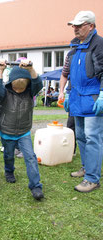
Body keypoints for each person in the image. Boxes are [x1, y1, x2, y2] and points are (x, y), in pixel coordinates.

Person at [58, 11, 103, 193]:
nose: (75, 28)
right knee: (82, 137)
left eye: (79, 25)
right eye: (73, 25)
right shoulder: (74, 47)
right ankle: (86, 167)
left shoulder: (99, 44)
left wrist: (102, 94)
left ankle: (92, 178)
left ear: (90, 26)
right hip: (76, 98)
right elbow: (67, 73)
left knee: (93, 138)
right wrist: (66, 92)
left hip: (93, 98)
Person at [0, 58, 44, 200]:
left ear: (27, 85)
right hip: (7, 131)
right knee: (8, 155)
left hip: (24, 132)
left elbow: (38, 83)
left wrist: (31, 69)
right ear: (10, 84)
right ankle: (9, 171)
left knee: (31, 157)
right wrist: (0, 70)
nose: (19, 90)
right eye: (16, 87)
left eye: (21, 88)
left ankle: (36, 186)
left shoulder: (30, 91)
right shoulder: (4, 92)